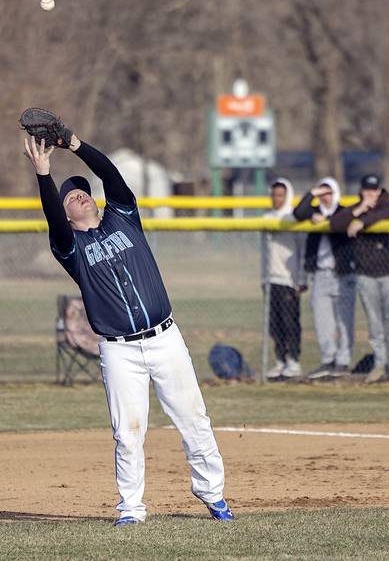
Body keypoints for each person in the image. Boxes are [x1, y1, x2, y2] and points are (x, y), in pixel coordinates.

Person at [23, 130, 233, 526]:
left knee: (194, 420)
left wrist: (73, 144)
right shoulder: (71, 250)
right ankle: (132, 509)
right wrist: (44, 175)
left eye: (83, 191)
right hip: (118, 351)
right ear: (66, 213)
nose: (80, 195)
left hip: (165, 338)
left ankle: (214, 496)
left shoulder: (124, 218)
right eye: (71, 197)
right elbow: (52, 214)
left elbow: (112, 175)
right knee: (128, 433)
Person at [329, 174, 389, 383]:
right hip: (365, 274)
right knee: (374, 324)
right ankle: (380, 364)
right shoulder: (356, 208)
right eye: (367, 190)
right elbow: (335, 224)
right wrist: (358, 211)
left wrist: (361, 222)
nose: (370, 194)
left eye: (374, 190)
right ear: (361, 191)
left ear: (380, 191)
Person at [293, 177, 356, 379]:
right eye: (323, 193)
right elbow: (298, 213)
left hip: (342, 274)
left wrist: (327, 222)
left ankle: (343, 361)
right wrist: (313, 193)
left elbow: (344, 223)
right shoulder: (314, 213)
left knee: (344, 320)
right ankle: (328, 359)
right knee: (322, 321)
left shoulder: (344, 211)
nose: (326, 197)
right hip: (319, 274)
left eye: (329, 192)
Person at [264, 178, 306, 379]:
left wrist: (301, 278)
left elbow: (301, 250)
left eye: (280, 195)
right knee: (275, 323)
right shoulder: (266, 217)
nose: (276, 199)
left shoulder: (294, 218)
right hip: (270, 279)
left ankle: (294, 361)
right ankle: (280, 360)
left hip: (289, 279)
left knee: (290, 322)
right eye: (274, 195)